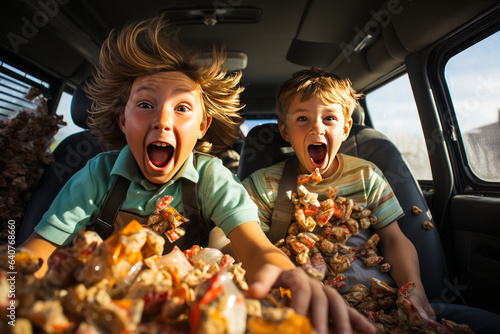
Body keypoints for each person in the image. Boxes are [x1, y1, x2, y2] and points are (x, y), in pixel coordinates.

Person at [20, 17, 374, 334]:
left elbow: (257, 248)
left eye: (182, 108)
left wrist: (289, 272)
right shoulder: (97, 173)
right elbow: (35, 254)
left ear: (203, 126)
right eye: (145, 105)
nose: (162, 120)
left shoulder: (211, 177)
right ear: (122, 121)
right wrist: (11, 292)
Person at [242, 67, 500, 333]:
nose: (317, 127)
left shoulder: (366, 175)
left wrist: (413, 288)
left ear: (345, 128)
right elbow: (246, 243)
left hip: (379, 303)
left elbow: (393, 239)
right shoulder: (264, 184)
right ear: (284, 131)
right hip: (303, 307)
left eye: (329, 118)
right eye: (303, 119)